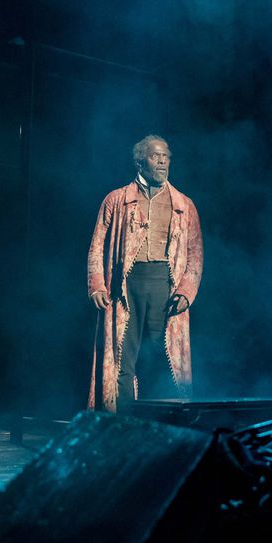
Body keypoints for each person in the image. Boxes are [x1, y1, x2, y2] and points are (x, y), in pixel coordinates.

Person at [87, 134, 203, 412]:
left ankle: (161, 421)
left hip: (165, 287)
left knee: (161, 360)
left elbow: (195, 254)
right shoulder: (117, 200)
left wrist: (187, 291)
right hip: (125, 288)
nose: (163, 161)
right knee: (122, 361)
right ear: (140, 162)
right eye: (155, 156)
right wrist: (97, 285)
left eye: (166, 156)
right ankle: (126, 423)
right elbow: (97, 246)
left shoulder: (184, 205)